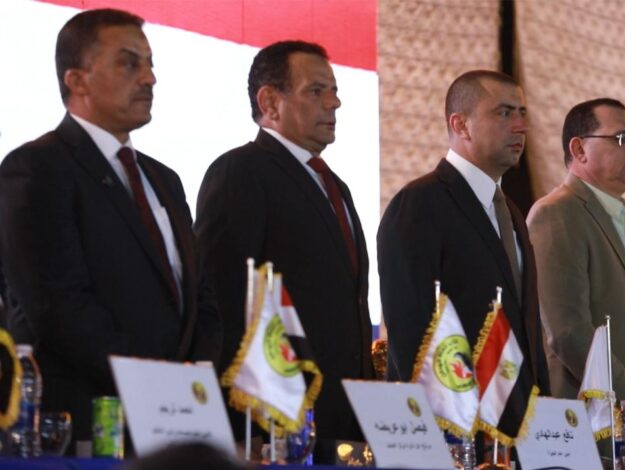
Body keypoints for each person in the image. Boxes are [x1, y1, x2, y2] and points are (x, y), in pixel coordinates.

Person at [0, 9, 221, 448]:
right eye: (129, 63)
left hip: (179, 419)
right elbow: (57, 307)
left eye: (150, 64)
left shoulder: (164, 180)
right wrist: (152, 383)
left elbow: (201, 298)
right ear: (77, 80)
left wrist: (191, 379)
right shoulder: (36, 169)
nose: (149, 78)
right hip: (87, 425)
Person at [194, 41, 373, 462]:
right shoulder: (240, 171)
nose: (334, 102)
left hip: (342, 419)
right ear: (270, 102)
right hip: (272, 420)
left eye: (334, 90)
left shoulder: (335, 186)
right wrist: (246, 424)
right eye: (316, 91)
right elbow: (223, 300)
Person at [377, 70, 549, 393]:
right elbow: (412, 333)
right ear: (460, 125)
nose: (521, 126)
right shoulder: (418, 204)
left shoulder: (511, 212)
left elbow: (528, 329)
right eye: (504, 113)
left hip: (519, 414)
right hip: (452, 412)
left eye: (522, 113)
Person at [526, 98, 625, 406]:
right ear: (579, 150)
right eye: (622, 138)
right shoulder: (556, 213)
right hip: (590, 415)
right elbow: (568, 332)